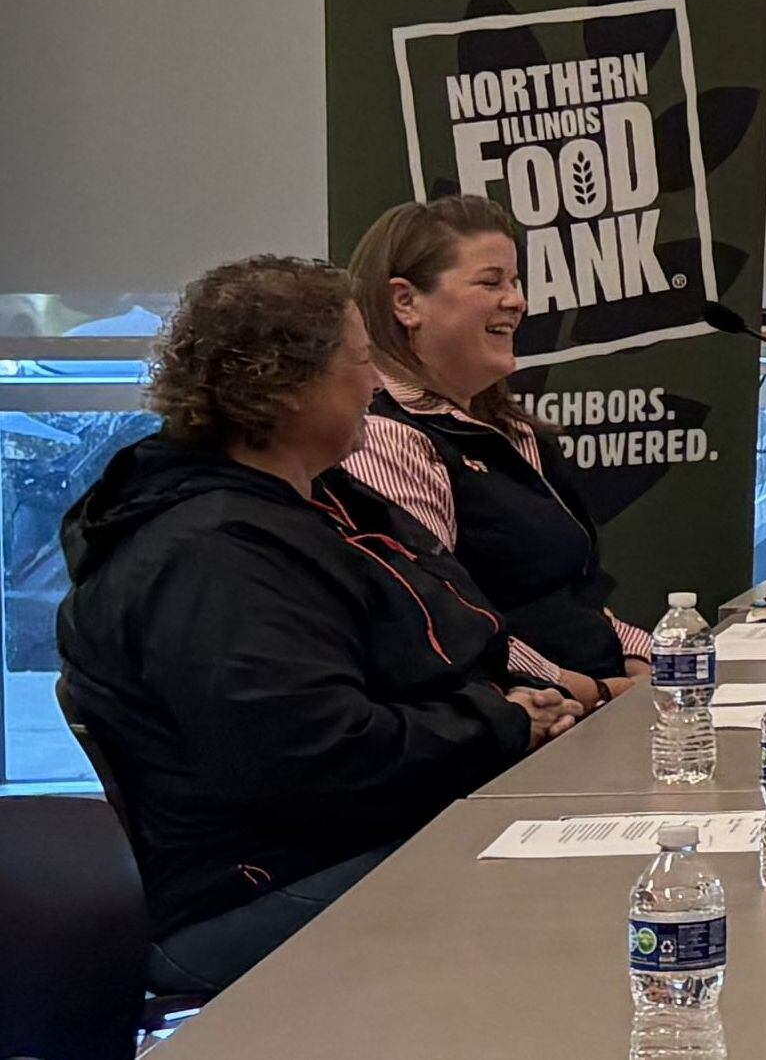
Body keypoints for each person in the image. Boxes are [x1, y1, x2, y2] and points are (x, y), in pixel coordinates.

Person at [57, 256, 582, 994]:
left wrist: (522, 705)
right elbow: (316, 756)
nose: (373, 385)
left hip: (341, 840)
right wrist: (496, 723)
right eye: (362, 361)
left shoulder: (312, 506)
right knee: (572, 904)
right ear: (286, 383)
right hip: (256, 889)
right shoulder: (211, 555)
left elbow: (452, 641)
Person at [342, 196, 648, 711]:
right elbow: (441, 615)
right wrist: (585, 688)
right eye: (490, 283)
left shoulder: (510, 431)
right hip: (525, 724)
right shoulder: (384, 436)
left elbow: (570, 593)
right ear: (405, 302)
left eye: (515, 282)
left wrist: (641, 653)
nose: (516, 301)